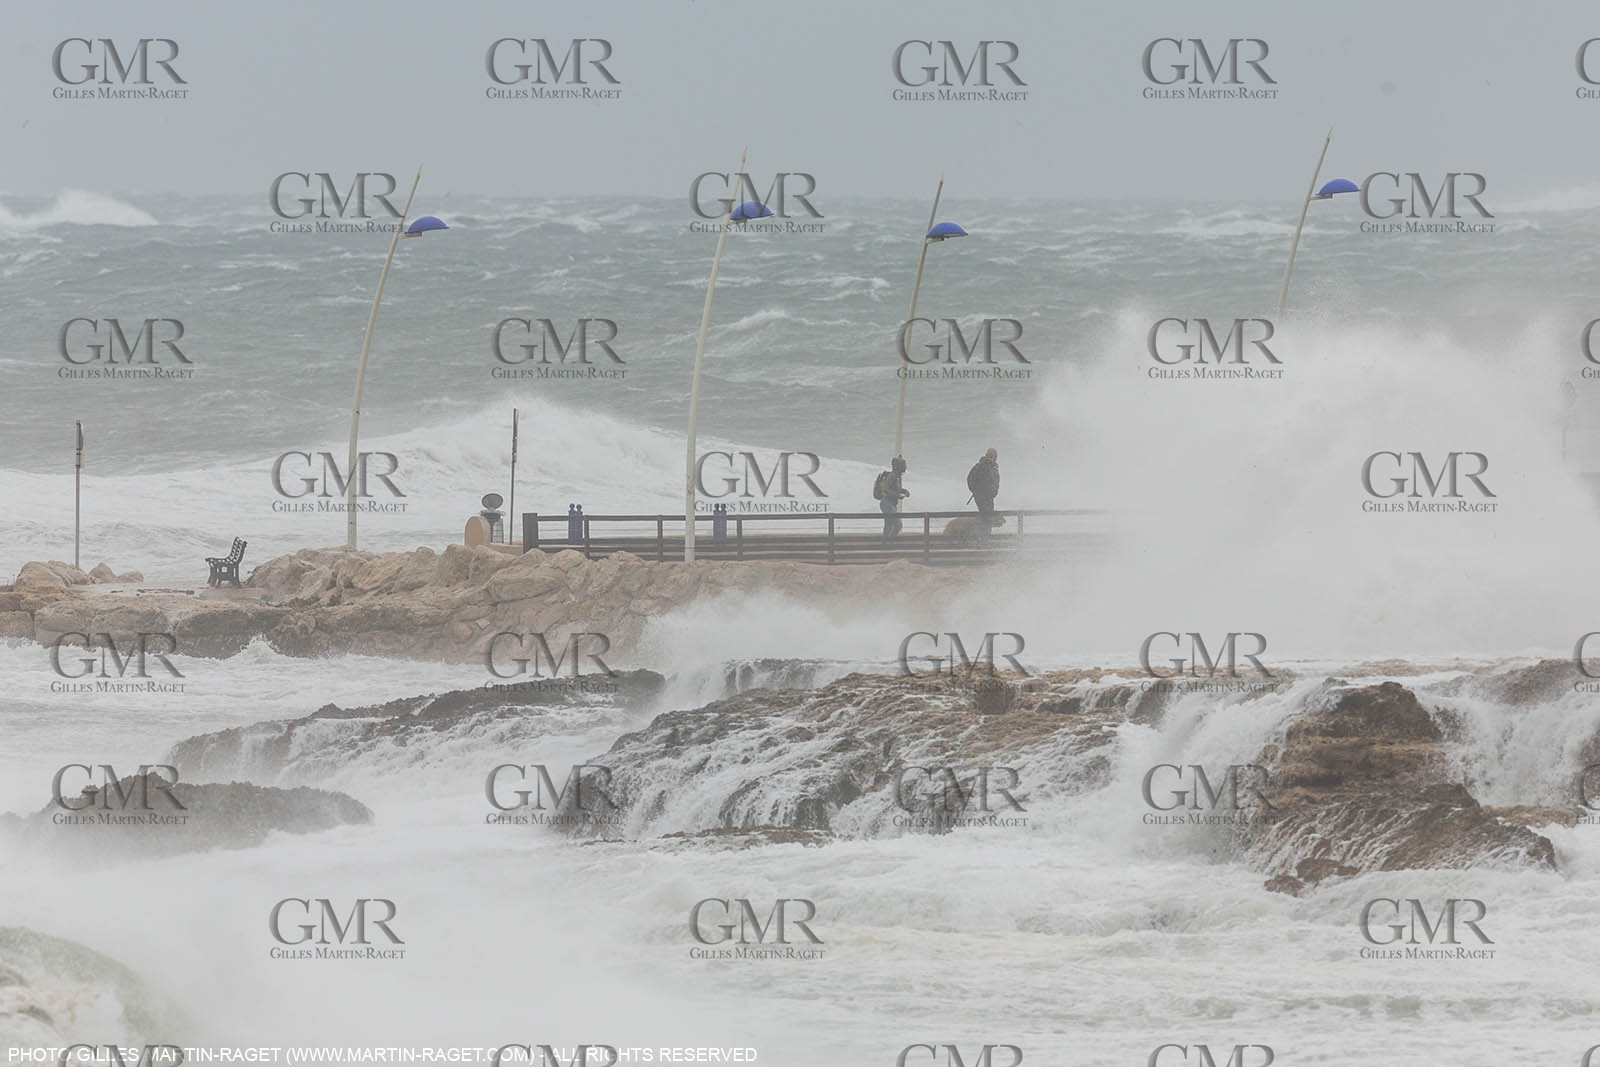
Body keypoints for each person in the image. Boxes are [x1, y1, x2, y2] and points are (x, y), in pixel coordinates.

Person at [967, 448, 1000, 529]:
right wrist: (976, 490)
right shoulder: (980, 466)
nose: (993, 458)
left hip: (989, 497)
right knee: (986, 517)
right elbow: (970, 479)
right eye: (992, 456)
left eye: (994, 456)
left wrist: (994, 492)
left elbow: (996, 482)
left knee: (987, 517)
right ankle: (983, 538)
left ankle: (984, 537)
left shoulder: (993, 468)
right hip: (981, 496)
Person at [878, 456, 910, 538]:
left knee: (889, 525)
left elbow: (896, 489)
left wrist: (904, 491)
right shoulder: (893, 476)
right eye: (904, 465)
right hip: (887, 504)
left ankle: (885, 544)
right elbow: (886, 489)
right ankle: (888, 543)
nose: (906, 467)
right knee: (897, 525)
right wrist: (898, 495)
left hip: (891, 504)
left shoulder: (898, 476)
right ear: (899, 466)